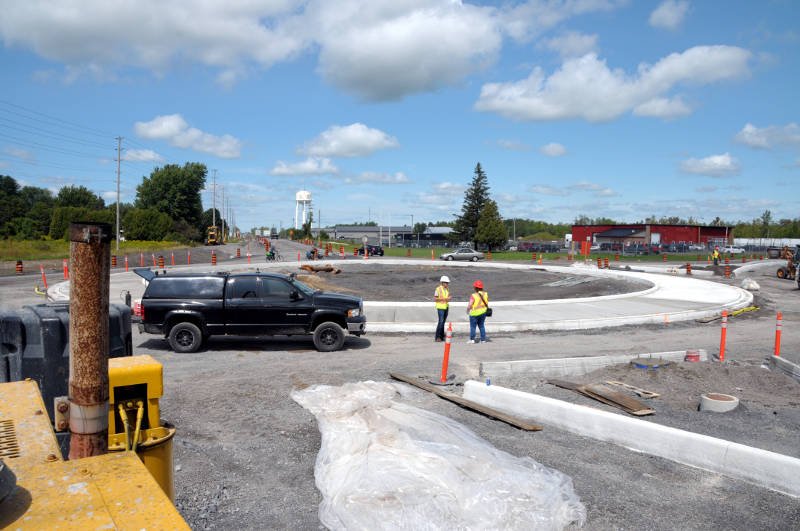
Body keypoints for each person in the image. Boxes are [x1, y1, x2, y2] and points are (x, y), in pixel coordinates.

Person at [466, 279, 489, 343]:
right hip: (483, 312)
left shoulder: (473, 295)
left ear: (475, 288)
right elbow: (486, 303)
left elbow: (470, 305)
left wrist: (467, 310)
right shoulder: (485, 294)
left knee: (473, 327)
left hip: (474, 313)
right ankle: (483, 340)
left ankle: (472, 339)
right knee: (481, 326)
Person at [434, 275, 451, 342]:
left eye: (447, 283)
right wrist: (446, 298)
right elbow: (435, 299)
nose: (447, 284)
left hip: (446, 307)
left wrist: (448, 298)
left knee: (443, 322)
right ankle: (437, 337)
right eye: (446, 282)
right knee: (441, 322)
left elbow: (447, 297)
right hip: (440, 308)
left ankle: (442, 336)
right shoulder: (438, 289)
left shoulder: (447, 289)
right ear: (442, 282)